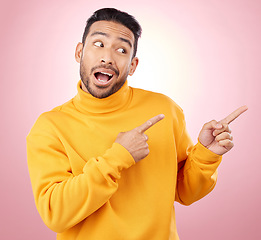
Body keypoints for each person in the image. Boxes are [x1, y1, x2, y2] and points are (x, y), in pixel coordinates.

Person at [26, 8, 247, 240]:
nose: (107, 57)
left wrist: (205, 155)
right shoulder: (50, 127)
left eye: (121, 50)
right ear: (80, 52)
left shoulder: (164, 110)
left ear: (132, 65)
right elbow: (55, 214)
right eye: (98, 44)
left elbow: (184, 192)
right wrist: (118, 157)